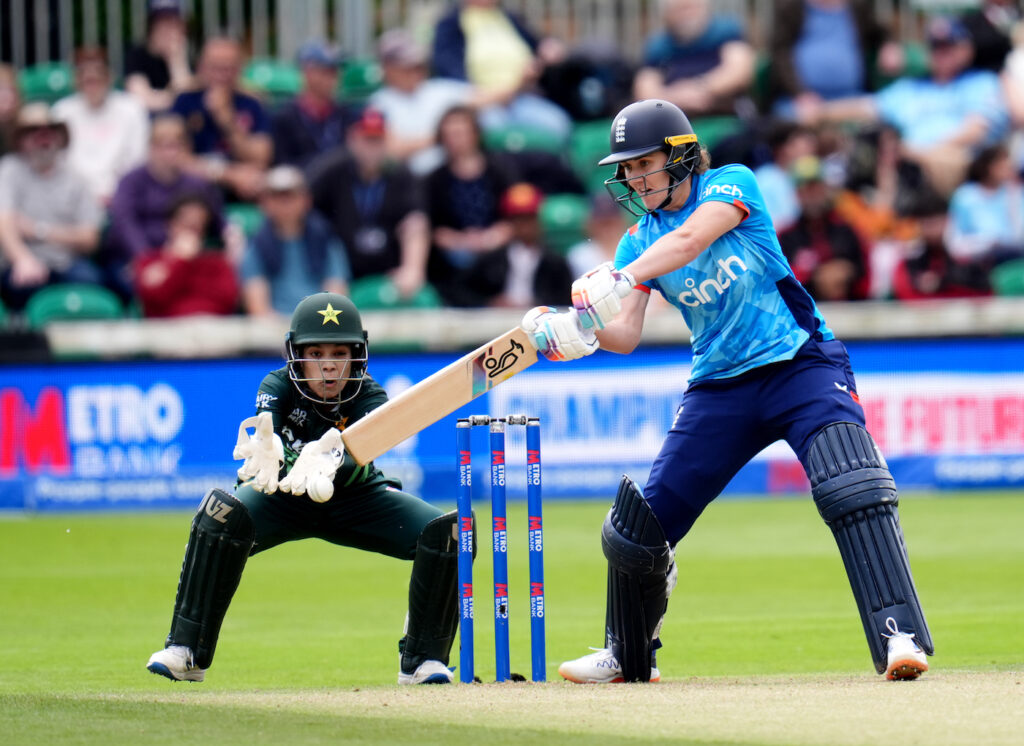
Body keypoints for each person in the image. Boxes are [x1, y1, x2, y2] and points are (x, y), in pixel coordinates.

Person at [520, 98, 933, 683]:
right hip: (719, 386)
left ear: (684, 157)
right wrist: (571, 333)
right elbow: (626, 334)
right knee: (637, 529)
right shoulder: (638, 242)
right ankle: (627, 653)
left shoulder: (732, 185)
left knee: (851, 483)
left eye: (645, 164)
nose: (634, 179)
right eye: (627, 169)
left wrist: (619, 277)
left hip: (800, 363)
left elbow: (690, 243)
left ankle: (900, 635)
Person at [146, 292, 463, 685]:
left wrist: (330, 461)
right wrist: (269, 448)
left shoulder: (371, 396)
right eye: (315, 353)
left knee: (450, 532)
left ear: (357, 355)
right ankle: (186, 650)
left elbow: (358, 454)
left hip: (357, 500)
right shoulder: (277, 384)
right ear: (295, 355)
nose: (328, 365)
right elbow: (267, 427)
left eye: (339, 353)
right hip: (281, 497)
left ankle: (422, 662)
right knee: (219, 512)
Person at [804, 15, 1010, 197]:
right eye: (936, 46)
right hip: (905, 167)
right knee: (868, 141)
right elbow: (866, 107)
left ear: (966, 49)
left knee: (947, 159)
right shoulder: (911, 87)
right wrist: (821, 111)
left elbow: (976, 130)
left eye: (949, 45)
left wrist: (924, 151)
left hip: (952, 167)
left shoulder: (982, 82)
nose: (941, 52)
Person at [307, 108, 429, 298]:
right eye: (366, 139)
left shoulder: (402, 175)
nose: (372, 147)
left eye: (377, 140)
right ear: (352, 139)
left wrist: (412, 269)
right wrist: (330, 272)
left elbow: (415, 223)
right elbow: (305, 212)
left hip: (389, 268)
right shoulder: (331, 171)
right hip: (340, 267)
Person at [105, 113, 224, 299]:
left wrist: (231, 236)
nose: (170, 153)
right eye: (163, 146)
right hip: (136, 259)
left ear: (186, 148)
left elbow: (218, 223)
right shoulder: (131, 181)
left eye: (176, 145)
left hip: (187, 259)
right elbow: (125, 224)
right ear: (151, 148)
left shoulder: (198, 184)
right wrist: (146, 260)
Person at [0, 103, 103, 311]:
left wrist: (38, 230)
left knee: (92, 282)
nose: (43, 137)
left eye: (49, 131)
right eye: (33, 132)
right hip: (21, 261)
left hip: (66, 263)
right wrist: (23, 260)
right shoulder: (9, 170)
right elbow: (4, 223)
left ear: (59, 137)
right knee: (20, 284)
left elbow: (90, 238)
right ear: (20, 140)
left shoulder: (77, 178)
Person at [430, 0, 572, 143]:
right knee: (499, 135)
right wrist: (510, 88)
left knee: (559, 125)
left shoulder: (508, 17)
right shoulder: (450, 24)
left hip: (521, 98)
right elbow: (453, 79)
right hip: (482, 104)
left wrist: (548, 48)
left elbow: (538, 44)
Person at [424, 105, 515, 306]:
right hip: (453, 255)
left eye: (460, 133)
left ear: (475, 134)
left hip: (497, 248)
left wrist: (489, 238)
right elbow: (432, 228)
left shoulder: (500, 171)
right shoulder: (434, 179)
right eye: (449, 135)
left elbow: (514, 217)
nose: (454, 140)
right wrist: (463, 241)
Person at [171, 36, 272, 201]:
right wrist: (228, 175)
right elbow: (175, 157)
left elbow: (261, 157)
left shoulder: (252, 103)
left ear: (239, 70)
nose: (222, 76)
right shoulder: (185, 100)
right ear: (201, 68)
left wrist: (226, 119)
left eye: (229, 69)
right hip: (197, 185)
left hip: (246, 186)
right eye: (215, 68)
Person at [241, 165, 351, 317]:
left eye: (291, 196)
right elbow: (258, 306)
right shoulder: (257, 246)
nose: (285, 204)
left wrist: (317, 328)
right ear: (264, 203)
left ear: (306, 200)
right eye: (277, 197)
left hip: (320, 326)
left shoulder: (325, 240)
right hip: (274, 330)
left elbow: (336, 294)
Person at [368, 28, 473, 176]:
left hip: (447, 176)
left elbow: (484, 98)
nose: (415, 72)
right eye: (407, 67)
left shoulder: (438, 89)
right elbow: (391, 150)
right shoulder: (378, 103)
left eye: (418, 66)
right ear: (388, 68)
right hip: (406, 180)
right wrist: (443, 138)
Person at [52, 47, 150, 204]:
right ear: (76, 80)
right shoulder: (62, 111)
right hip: (72, 194)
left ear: (109, 77)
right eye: (86, 77)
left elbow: (137, 157)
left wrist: (115, 191)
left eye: (98, 76)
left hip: (122, 192)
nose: (92, 82)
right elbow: (59, 160)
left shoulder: (131, 108)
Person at [633, 0, 757, 117]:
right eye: (680, 9)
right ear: (666, 15)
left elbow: (740, 72)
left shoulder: (725, 31)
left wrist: (700, 87)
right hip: (675, 116)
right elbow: (644, 91)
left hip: (725, 112)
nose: (687, 15)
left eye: (692, 7)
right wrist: (677, 98)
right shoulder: (658, 46)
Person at [463, 182, 573, 307]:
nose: (525, 227)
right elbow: (464, 291)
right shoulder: (492, 260)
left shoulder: (555, 262)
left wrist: (539, 304)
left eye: (529, 219)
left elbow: (565, 299)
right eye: (519, 219)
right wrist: (490, 302)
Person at [777, 154, 871, 302]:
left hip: (851, 312)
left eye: (816, 187)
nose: (812, 194)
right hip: (805, 316)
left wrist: (846, 272)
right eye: (806, 189)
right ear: (797, 194)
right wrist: (816, 276)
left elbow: (867, 276)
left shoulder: (847, 230)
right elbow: (781, 282)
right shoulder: (785, 237)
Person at [133, 193, 238, 317]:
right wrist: (179, 260)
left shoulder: (218, 263)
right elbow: (153, 299)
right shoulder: (149, 261)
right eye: (186, 223)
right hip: (166, 332)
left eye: (198, 225)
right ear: (170, 225)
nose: (191, 231)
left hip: (211, 330)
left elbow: (227, 301)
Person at [270, 40, 351, 169]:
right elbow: (281, 165)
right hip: (300, 184)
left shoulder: (346, 114)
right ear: (307, 72)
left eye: (335, 71)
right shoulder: (284, 117)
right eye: (326, 71)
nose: (333, 78)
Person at [123, 0, 194, 113]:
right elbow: (140, 100)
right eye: (160, 22)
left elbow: (188, 99)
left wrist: (176, 60)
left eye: (173, 23)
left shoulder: (188, 55)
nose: (166, 29)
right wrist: (174, 96)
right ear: (150, 26)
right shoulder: (137, 55)